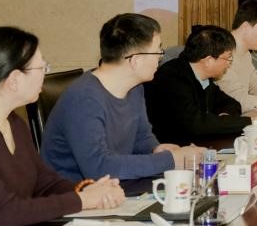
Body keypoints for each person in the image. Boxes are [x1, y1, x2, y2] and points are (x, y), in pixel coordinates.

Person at [0, 27, 123, 226]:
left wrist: (88, 189)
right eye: (41, 67)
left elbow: (44, 182)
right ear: (14, 79)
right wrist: (82, 200)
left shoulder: (14, 123)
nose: (45, 74)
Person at [41, 13, 205, 183]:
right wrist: (171, 160)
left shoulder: (134, 88)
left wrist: (156, 149)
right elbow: (99, 168)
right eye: (158, 50)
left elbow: (141, 138)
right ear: (135, 60)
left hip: (116, 185)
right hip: (77, 192)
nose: (160, 57)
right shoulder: (84, 98)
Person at [146, 26, 250, 144]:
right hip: (168, 149)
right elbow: (196, 125)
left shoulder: (203, 78)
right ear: (208, 60)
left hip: (197, 145)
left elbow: (232, 103)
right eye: (227, 58)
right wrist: (250, 122)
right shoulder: (171, 78)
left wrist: (226, 117)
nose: (229, 64)